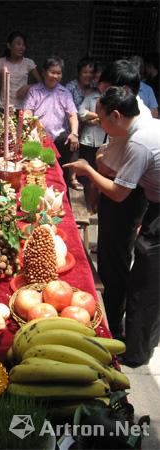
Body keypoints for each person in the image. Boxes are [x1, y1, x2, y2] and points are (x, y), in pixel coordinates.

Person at [64, 86, 159, 367]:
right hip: (154, 202)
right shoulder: (139, 123)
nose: (98, 123)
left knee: (146, 284)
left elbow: (118, 193)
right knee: (145, 276)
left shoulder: (139, 141)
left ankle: (136, 353)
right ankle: (139, 341)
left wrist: (88, 169)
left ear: (116, 116)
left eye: (101, 118)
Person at [87, 60, 151, 340]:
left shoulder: (136, 132)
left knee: (117, 262)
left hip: (127, 198)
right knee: (112, 259)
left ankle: (114, 326)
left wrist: (93, 165)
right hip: (125, 194)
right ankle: (112, 319)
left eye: (107, 90)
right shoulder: (127, 115)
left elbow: (107, 171)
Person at [22, 55, 79, 188]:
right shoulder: (34, 91)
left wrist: (74, 133)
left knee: (73, 141)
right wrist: (31, 123)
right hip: (37, 137)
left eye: (58, 73)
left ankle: (71, 178)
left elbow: (72, 115)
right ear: (43, 72)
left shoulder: (64, 93)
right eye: (52, 72)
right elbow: (28, 112)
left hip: (58, 136)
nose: (55, 76)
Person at [0, 31, 41, 111]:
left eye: (23, 45)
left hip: (22, 108)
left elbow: (41, 84)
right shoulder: (0, 62)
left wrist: (28, 87)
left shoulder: (28, 63)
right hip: (3, 107)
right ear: (9, 45)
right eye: (18, 44)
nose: (22, 47)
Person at [66, 57, 95, 190]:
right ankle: (73, 178)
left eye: (90, 72)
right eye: (85, 72)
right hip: (72, 124)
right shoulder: (70, 87)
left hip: (90, 126)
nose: (88, 75)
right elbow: (69, 111)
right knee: (74, 145)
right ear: (79, 73)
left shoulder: (95, 87)